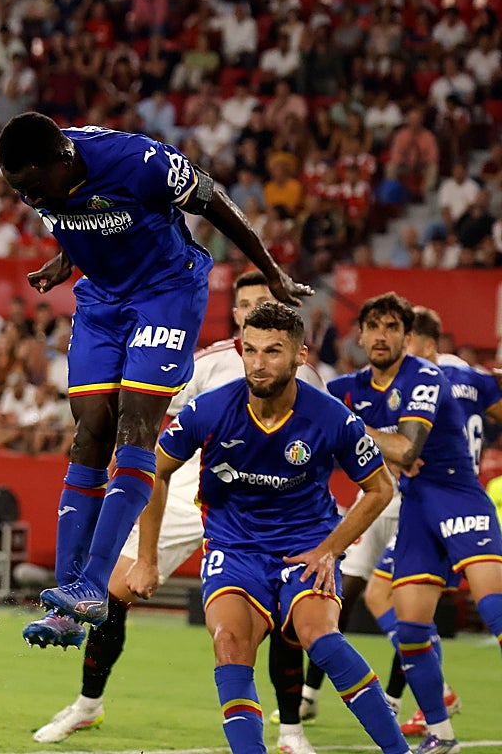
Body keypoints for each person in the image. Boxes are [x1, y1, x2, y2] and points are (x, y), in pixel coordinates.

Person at [0, 111, 311, 631]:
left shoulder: (139, 161)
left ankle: (94, 586)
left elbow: (214, 201)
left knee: (134, 427)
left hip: (165, 291)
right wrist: (67, 258)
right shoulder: (41, 178)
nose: (30, 199)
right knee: (89, 432)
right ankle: (66, 602)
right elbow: (79, 217)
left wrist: (271, 270)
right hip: (100, 299)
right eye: (19, 190)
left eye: (32, 187)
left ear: (63, 160)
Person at [32, 271, 325, 754]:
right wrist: (147, 555)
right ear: (234, 315)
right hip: (194, 490)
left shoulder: (307, 375)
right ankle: (87, 705)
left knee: (283, 611)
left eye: (264, 302)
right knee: (112, 594)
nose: (254, 311)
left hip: (268, 507)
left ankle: (291, 732)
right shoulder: (207, 364)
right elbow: (161, 442)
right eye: (246, 304)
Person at [151, 302, 408, 754]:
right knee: (229, 643)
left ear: (299, 356)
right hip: (235, 550)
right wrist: (147, 558)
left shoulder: (331, 418)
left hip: (306, 548)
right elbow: (154, 470)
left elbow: (381, 489)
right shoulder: (208, 410)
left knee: (321, 640)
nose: (258, 362)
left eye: (273, 351)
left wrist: (330, 549)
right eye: (250, 350)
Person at [321, 296, 502, 753]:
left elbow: (405, 450)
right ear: (358, 335)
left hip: (459, 497)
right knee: (413, 627)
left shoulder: (426, 375)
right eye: (372, 326)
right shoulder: (347, 387)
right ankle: (441, 735)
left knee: (496, 609)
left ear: (407, 336)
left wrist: (345, 425)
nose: (381, 335)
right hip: (417, 509)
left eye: (391, 326)